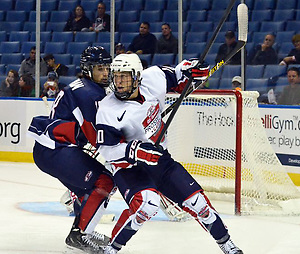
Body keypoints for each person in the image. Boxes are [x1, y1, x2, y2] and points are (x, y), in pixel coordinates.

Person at [95, 54, 243, 254]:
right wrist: (137, 150)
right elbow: (107, 149)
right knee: (147, 205)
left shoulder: (153, 78)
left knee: (200, 205)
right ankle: (112, 249)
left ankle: (227, 244)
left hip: (160, 160)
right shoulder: (107, 109)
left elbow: (178, 76)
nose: (119, 82)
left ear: (137, 76)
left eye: (125, 76)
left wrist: (193, 70)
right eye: (116, 76)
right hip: (129, 168)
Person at [27, 46, 115, 253]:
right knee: (105, 181)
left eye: (107, 68)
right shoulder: (87, 92)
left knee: (87, 190)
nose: (105, 73)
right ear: (87, 69)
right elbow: (97, 137)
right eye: (100, 69)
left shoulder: (87, 87)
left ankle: (85, 231)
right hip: (55, 149)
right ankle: (79, 237)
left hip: (52, 150)